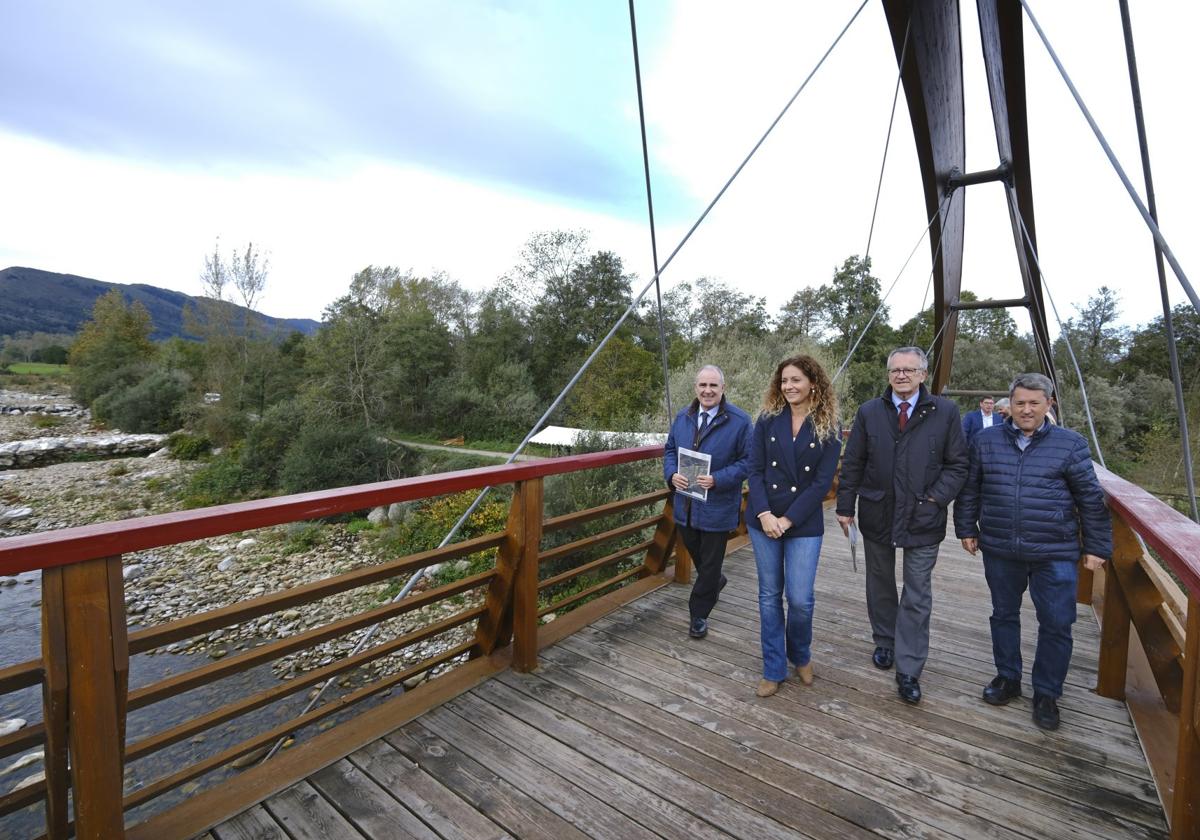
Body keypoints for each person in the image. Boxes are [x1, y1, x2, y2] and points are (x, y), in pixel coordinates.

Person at [954, 372, 1112, 730]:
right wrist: (966, 527)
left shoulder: (1070, 444)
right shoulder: (986, 441)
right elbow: (970, 488)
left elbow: (1090, 498)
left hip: (1054, 551)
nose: (1026, 410)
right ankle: (1007, 677)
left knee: (1057, 623)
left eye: (1034, 403)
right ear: (1010, 405)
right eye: (1020, 403)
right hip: (1000, 546)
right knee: (1003, 614)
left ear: (1048, 405)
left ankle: (1046, 693)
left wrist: (1098, 546)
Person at [835, 347, 968, 704]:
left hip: (924, 516)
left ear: (924, 374)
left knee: (917, 591)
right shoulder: (869, 412)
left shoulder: (946, 412)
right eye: (896, 370)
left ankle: (909, 668)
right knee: (879, 582)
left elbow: (958, 465)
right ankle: (885, 641)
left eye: (910, 370)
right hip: (878, 511)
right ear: (888, 374)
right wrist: (845, 507)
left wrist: (935, 499)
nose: (902, 376)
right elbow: (853, 463)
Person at [746, 355, 842, 698]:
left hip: (801, 522)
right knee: (769, 596)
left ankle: (799, 653)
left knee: (800, 599)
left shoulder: (828, 424)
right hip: (764, 520)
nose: (789, 386)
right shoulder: (768, 419)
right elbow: (754, 470)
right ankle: (773, 667)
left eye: (796, 380)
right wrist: (765, 515)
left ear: (812, 382)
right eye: (784, 380)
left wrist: (787, 519)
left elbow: (821, 483)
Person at [664, 365, 752, 640]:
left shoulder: (740, 421)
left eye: (713, 385)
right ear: (695, 388)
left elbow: (749, 461)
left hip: (718, 504)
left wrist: (718, 479)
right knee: (700, 557)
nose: (708, 390)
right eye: (703, 385)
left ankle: (698, 614)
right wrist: (671, 474)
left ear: (723, 388)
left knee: (711, 562)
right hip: (686, 505)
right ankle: (715, 582)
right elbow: (669, 450)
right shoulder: (683, 417)